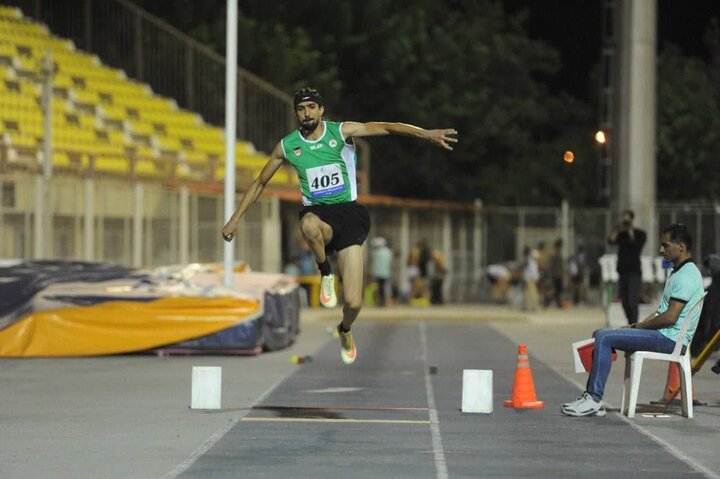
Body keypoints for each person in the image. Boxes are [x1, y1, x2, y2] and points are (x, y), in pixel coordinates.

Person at [221, 87, 457, 364]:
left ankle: (344, 329)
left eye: (311, 107)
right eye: (301, 108)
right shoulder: (288, 145)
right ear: (296, 113)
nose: (306, 113)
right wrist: (235, 218)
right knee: (308, 224)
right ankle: (325, 271)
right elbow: (260, 182)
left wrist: (425, 133)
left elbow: (387, 127)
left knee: (355, 302)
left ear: (321, 110)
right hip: (317, 214)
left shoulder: (341, 132)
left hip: (349, 216)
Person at [562, 224, 704, 417]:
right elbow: (659, 312)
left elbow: (670, 317)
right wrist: (634, 327)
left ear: (680, 246)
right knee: (600, 334)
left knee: (604, 337)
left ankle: (594, 398)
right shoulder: (679, 272)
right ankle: (593, 393)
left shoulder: (687, 275)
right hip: (663, 335)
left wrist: (640, 326)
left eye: (665, 245)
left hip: (669, 339)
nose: (661, 250)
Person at [608, 209, 647, 325]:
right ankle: (630, 321)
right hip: (622, 271)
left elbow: (636, 245)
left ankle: (634, 324)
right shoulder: (621, 235)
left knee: (632, 300)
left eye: (627, 218)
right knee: (624, 301)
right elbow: (611, 240)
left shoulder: (639, 234)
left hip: (634, 271)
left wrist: (630, 230)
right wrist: (618, 229)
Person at [370, 236, 393, 307]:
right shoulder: (388, 252)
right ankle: (385, 302)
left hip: (377, 273)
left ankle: (380, 302)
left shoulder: (374, 253)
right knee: (386, 288)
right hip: (386, 273)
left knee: (379, 288)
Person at [547, 238, 564, 307]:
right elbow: (555, 265)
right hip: (557, 275)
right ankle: (550, 302)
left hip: (557, 274)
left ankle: (556, 303)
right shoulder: (556, 254)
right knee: (555, 290)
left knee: (557, 290)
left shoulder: (557, 253)